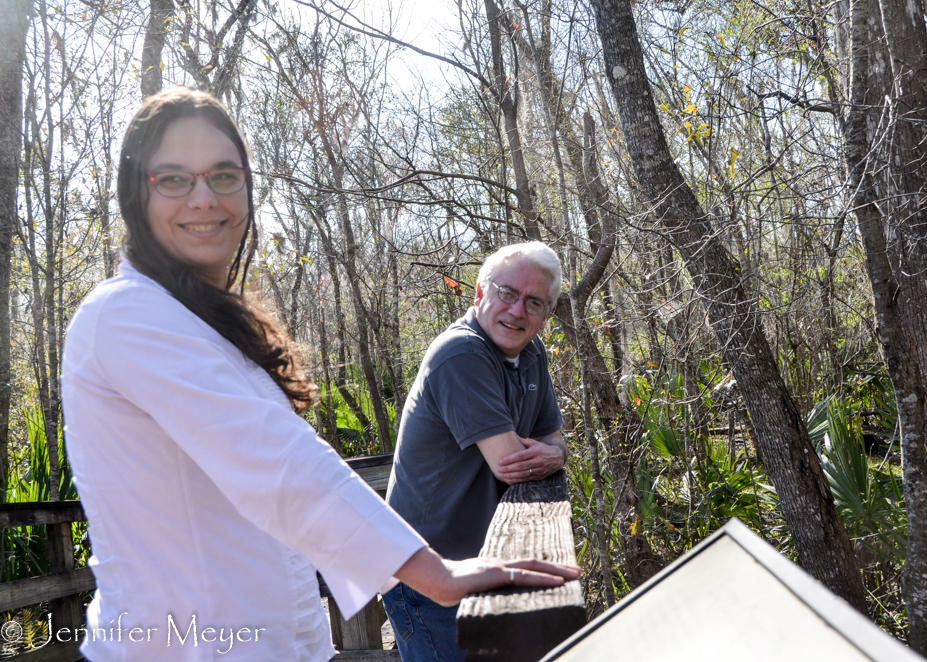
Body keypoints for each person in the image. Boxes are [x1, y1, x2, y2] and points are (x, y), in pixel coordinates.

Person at [60, 88, 577, 662]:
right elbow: (277, 460)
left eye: (224, 176)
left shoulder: (210, 323)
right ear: (137, 190)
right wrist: (434, 572)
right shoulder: (125, 316)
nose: (204, 198)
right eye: (175, 179)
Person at [384, 241, 567, 662]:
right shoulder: (461, 353)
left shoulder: (531, 352)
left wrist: (557, 454)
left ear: (546, 315)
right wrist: (549, 452)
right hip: (427, 573)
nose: (517, 311)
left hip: (484, 565)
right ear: (481, 292)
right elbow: (509, 465)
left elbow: (554, 439)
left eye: (534, 302)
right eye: (507, 293)